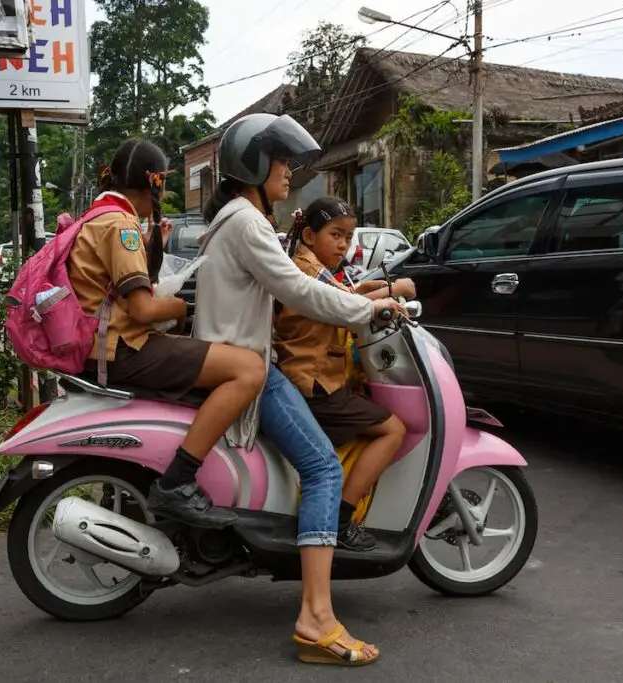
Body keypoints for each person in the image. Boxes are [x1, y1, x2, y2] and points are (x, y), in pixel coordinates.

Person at [193, 113, 403, 666]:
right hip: (256, 369)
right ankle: (316, 618)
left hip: (249, 362)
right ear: (257, 165)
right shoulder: (248, 223)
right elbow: (300, 291)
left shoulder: (230, 220)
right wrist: (369, 306)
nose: (289, 174)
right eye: (283, 163)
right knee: (324, 470)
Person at [67, 138, 265, 528]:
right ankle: (176, 481)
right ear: (153, 184)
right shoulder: (119, 225)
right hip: (120, 349)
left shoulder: (96, 216)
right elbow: (143, 309)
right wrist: (180, 307)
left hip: (105, 345)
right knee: (249, 369)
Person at [274, 197, 415, 552]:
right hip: (316, 383)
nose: (343, 244)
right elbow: (343, 303)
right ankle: (342, 518)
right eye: (335, 234)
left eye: (348, 237)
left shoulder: (308, 264)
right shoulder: (305, 270)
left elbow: (345, 293)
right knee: (393, 428)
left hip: (314, 378)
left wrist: (376, 291)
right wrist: (394, 291)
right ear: (308, 234)